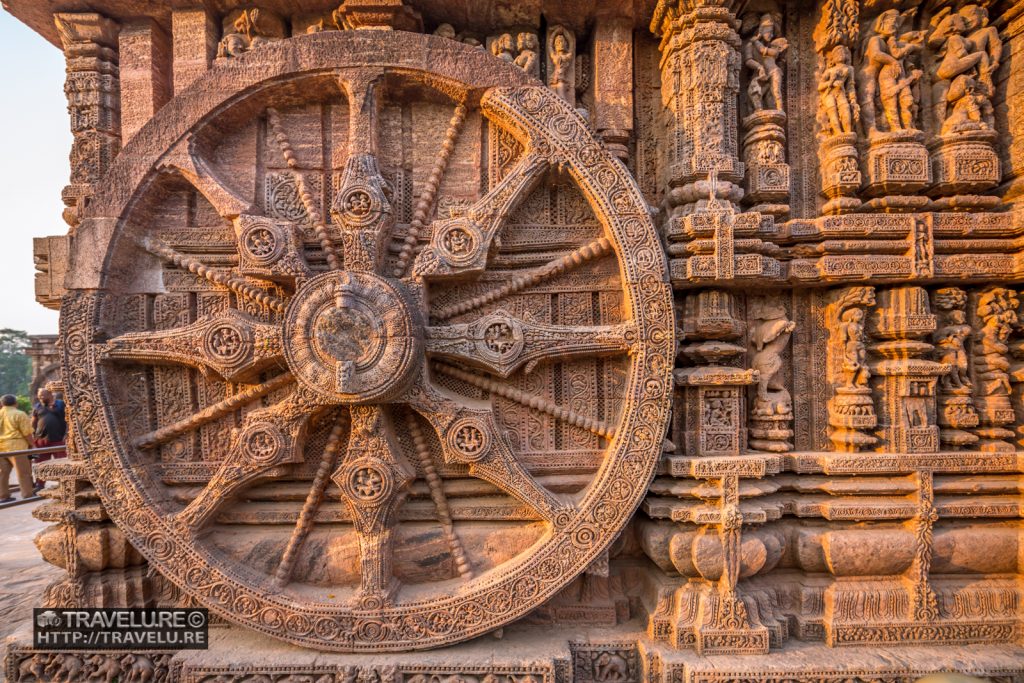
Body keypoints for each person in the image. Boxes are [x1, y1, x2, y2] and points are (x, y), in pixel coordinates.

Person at [0, 394, 36, 502]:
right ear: (16, 403)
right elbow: (27, 433)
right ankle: (27, 494)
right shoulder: (19, 414)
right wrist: (32, 445)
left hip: (1, 447)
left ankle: (3, 496)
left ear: (2, 404)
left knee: (3, 473)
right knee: (23, 472)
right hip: (17, 447)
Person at [31, 389, 67, 488]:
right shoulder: (37, 406)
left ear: (50, 394)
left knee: (62, 463)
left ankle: (64, 483)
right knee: (40, 463)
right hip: (41, 440)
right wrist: (34, 434)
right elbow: (33, 422)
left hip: (59, 439)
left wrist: (67, 433)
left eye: (43, 395)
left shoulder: (61, 404)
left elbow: (69, 419)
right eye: (39, 395)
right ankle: (40, 484)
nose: (40, 397)